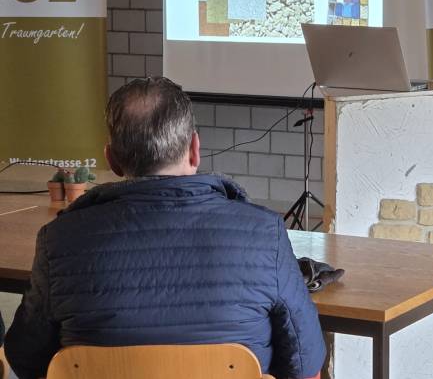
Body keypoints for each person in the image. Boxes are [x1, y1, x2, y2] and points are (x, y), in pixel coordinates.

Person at [5, 77, 325, 379]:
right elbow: (305, 363)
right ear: (195, 149)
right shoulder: (265, 233)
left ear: (112, 160)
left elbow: (25, 358)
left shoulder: (59, 240)